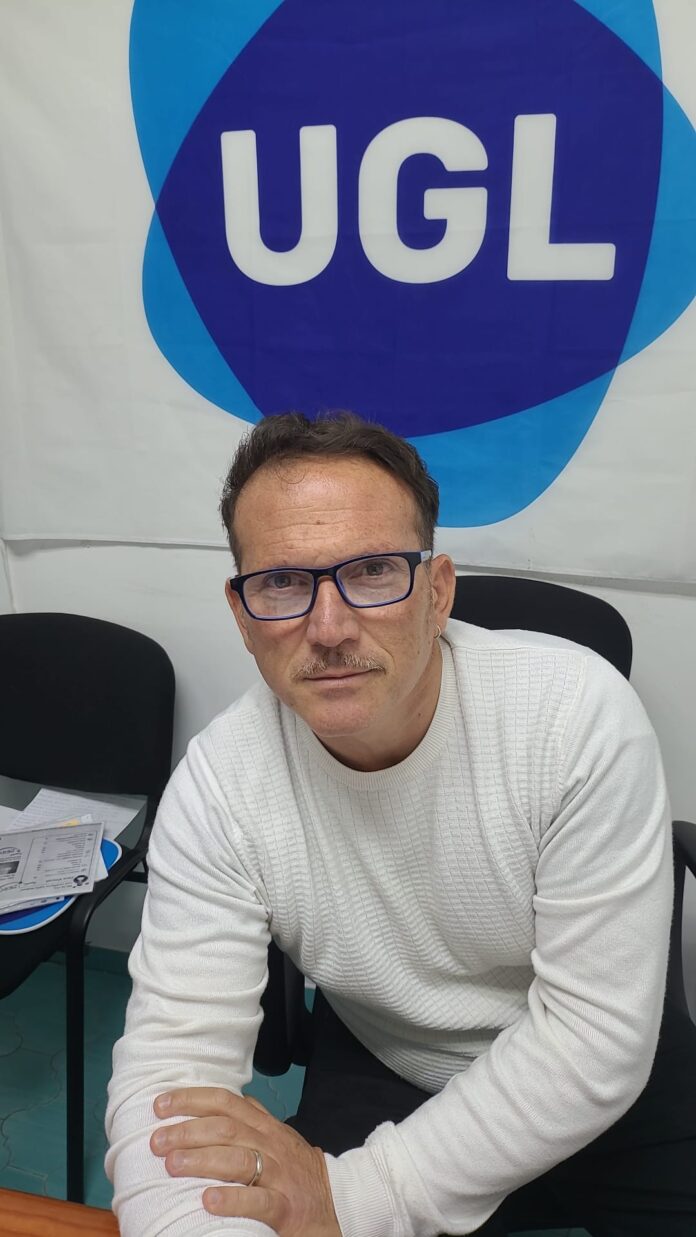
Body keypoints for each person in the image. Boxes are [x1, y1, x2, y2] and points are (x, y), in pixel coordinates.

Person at [106, 411, 694, 1237]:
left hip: (602, 1071)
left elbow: (593, 1036)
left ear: (438, 590)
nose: (329, 627)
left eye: (375, 570)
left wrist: (354, 1196)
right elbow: (171, 1078)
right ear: (242, 615)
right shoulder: (218, 784)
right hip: (392, 1056)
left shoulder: (575, 715)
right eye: (283, 583)